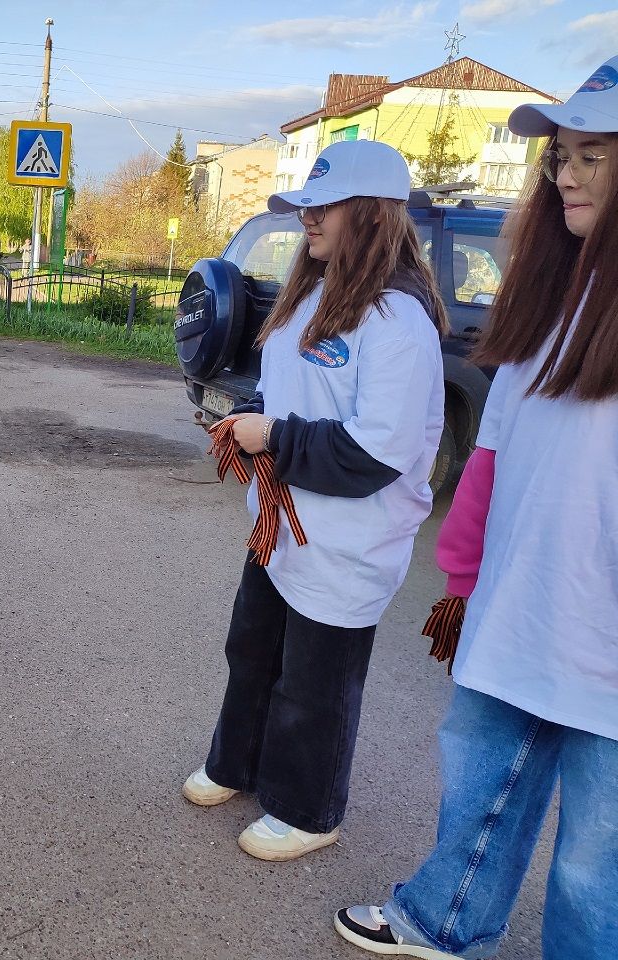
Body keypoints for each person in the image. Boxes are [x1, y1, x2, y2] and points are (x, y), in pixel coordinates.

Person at [336, 56, 618, 960]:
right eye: (559, 157)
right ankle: (440, 919)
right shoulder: (550, 299)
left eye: (593, 155)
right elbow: (494, 448)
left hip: (607, 637)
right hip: (523, 606)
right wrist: (463, 573)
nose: (564, 173)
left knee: (594, 862)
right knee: (477, 775)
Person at [182, 139, 448, 861]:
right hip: (279, 527)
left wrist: (273, 435)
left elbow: (374, 455)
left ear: (373, 213)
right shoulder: (311, 298)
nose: (309, 218)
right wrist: (250, 422)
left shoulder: (398, 323)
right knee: (253, 649)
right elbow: (289, 393)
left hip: (348, 540)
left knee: (315, 682)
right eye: (307, 204)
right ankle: (236, 765)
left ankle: (309, 808)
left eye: (325, 206)